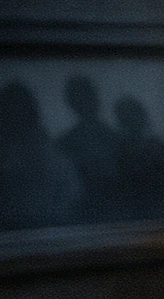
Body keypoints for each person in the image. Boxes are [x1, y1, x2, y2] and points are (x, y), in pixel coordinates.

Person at [0, 81, 82, 231]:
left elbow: (71, 200)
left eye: (21, 110)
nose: (17, 117)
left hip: (54, 233)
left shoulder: (53, 155)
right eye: (11, 111)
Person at [112, 95, 164, 219]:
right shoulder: (119, 153)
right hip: (141, 218)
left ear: (142, 117)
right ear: (122, 121)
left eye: (135, 115)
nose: (133, 120)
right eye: (127, 117)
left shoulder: (159, 147)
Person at [56, 75, 122, 222]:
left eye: (88, 96)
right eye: (79, 98)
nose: (85, 103)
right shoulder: (64, 144)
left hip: (120, 214)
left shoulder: (117, 138)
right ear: (72, 103)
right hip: (84, 217)